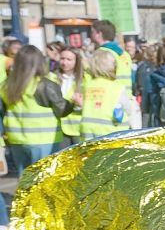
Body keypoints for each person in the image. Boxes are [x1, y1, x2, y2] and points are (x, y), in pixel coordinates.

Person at [1, 46, 76, 176]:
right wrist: (74, 103)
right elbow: (62, 110)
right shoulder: (44, 85)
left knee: (24, 180)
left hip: (16, 139)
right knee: (44, 179)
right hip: (44, 140)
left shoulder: (6, 85)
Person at [80, 49, 140, 140]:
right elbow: (127, 108)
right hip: (111, 130)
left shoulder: (87, 85)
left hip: (87, 130)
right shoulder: (117, 87)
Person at [90, 19, 133, 94]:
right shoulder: (124, 54)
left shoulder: (102, 54)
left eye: (92, 32)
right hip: (126, 96)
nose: (91, 35)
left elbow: (100, 79)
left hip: (110, 97)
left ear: (99, 34)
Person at [55, 47, 85, 147]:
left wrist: (81, 104)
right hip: (58, 129)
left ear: (77, 61)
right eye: (62, 58)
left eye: (69, 60)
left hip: (78, 128)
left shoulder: (85, 79)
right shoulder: (53, 78)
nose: (64, 62)